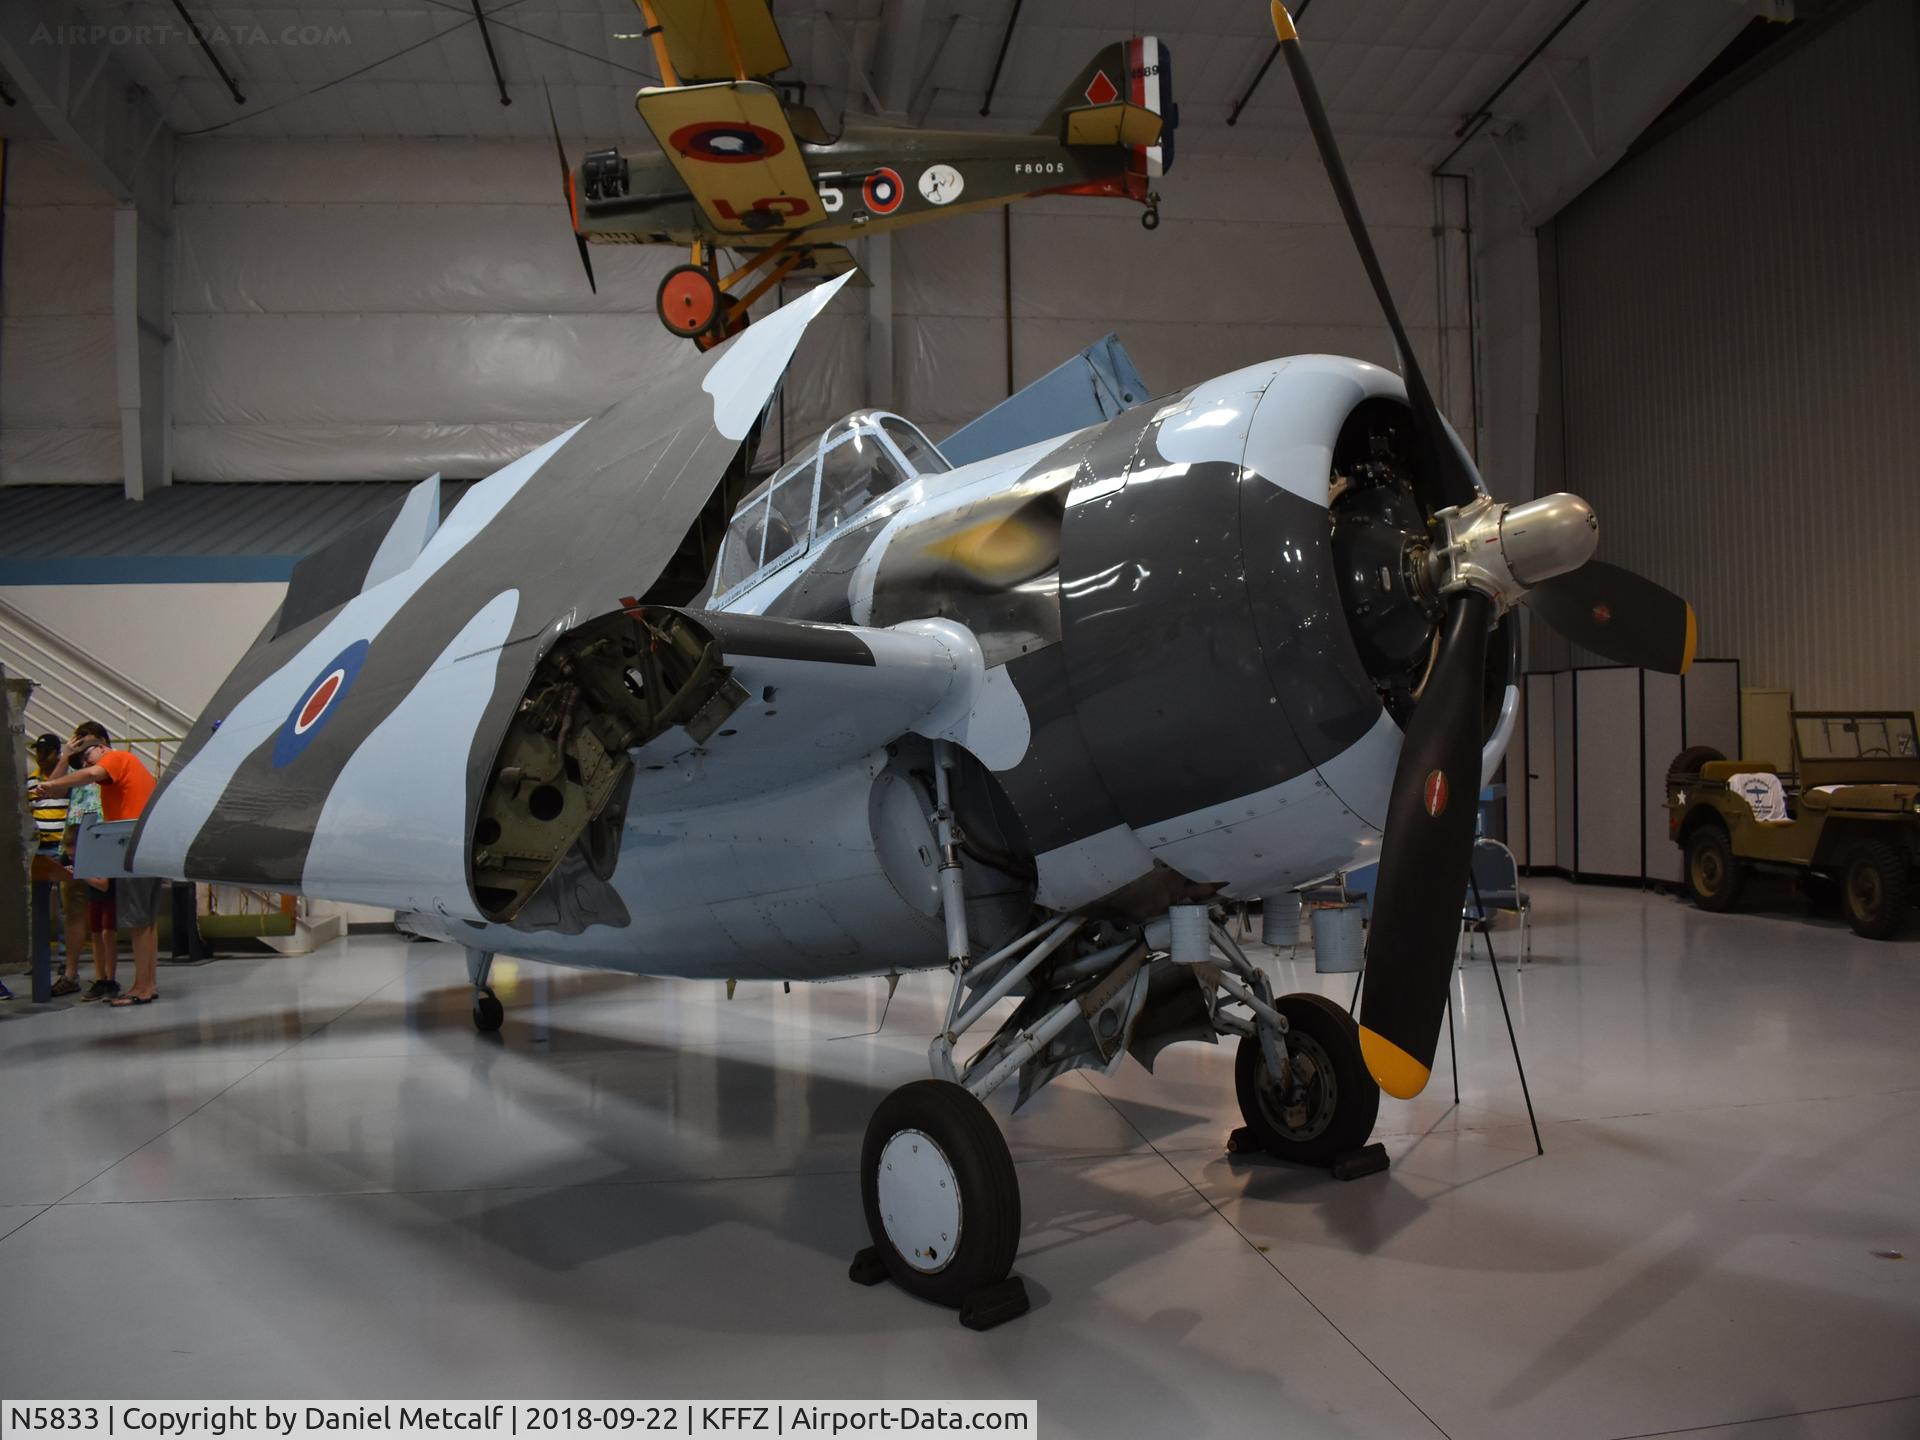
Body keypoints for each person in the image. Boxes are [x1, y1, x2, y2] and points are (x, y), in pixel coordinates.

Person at [28, 722, 160, 1007]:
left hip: (132, 843)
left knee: (137, 920)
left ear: (101, 745)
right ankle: (147, 983)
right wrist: (62, 771)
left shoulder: (115, 758)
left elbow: (90, 773)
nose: (84, 762)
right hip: (142, 842)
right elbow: (83, 775)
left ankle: (141, 987)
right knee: (145, 922)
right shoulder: (122, 764)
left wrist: (51, 783)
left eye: (86, 753)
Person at [27, 734, 90, 999]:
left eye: (46, 753)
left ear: (56, 753)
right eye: (38, 753)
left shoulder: (70, 776)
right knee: (36, 907)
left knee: (68, 910)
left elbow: (62, 795)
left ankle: (67, 961)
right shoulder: (31, 778)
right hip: (39, 850)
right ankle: (37, 958)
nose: (41, 757)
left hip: (61, 849)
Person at [61, 760, 117, 1000]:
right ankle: (100, 976)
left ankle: (109, 977)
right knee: (95, 931)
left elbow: (103, 883)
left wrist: (81, 874)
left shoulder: (96, 856)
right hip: (94, 896)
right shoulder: (72, 774)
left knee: (107, 931)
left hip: (104, 892)